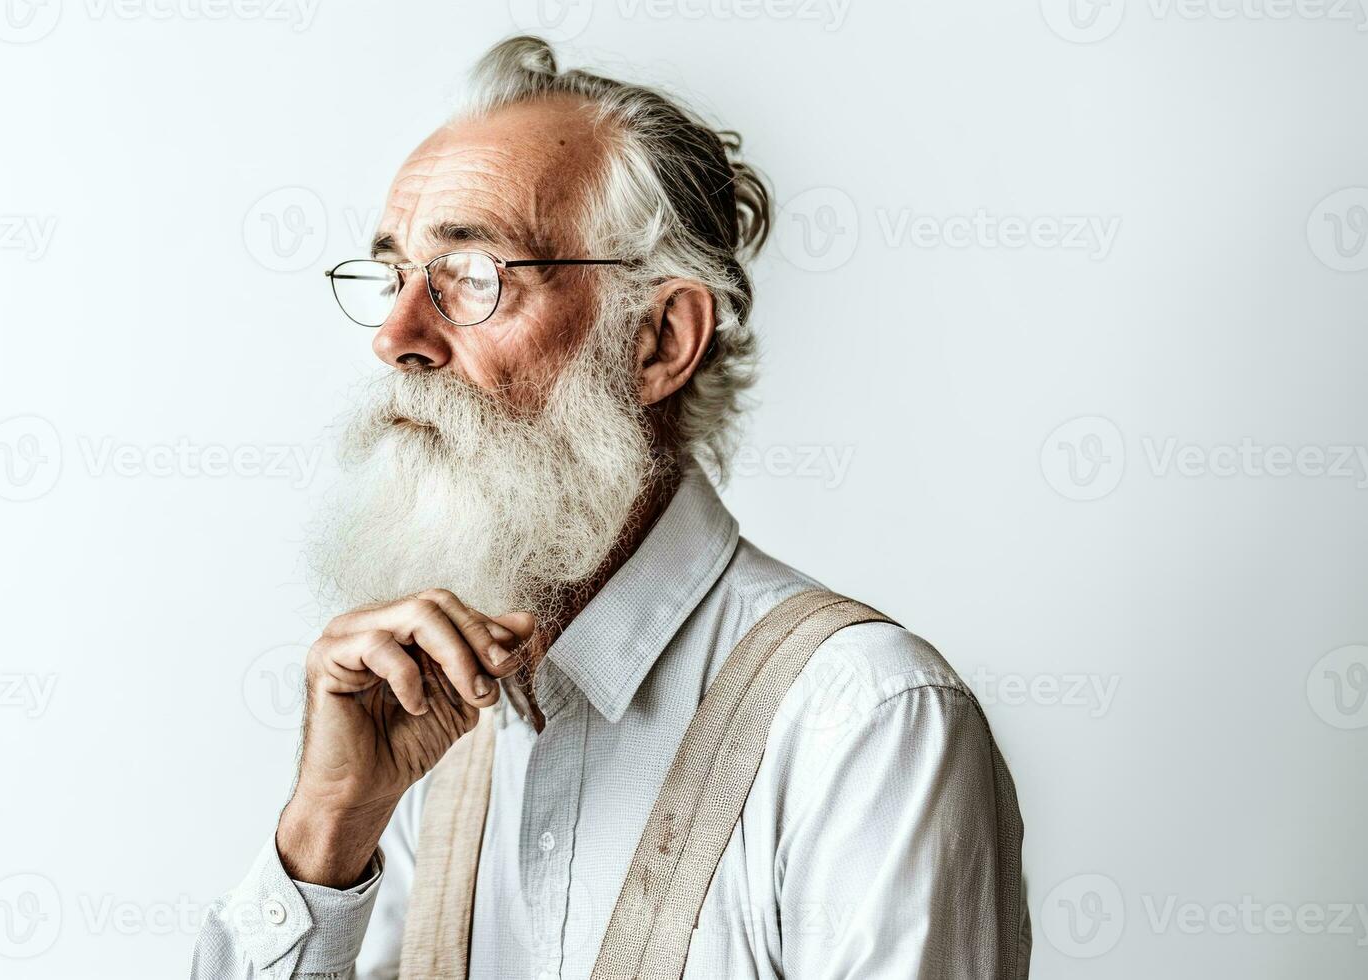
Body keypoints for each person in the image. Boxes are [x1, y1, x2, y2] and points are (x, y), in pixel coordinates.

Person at [193, 35, 1030, 979]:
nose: (396, 338)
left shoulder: (864, 722)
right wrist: (330, 827)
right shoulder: (423, 723)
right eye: (391, 278)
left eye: (471, 276)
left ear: (659, 338)